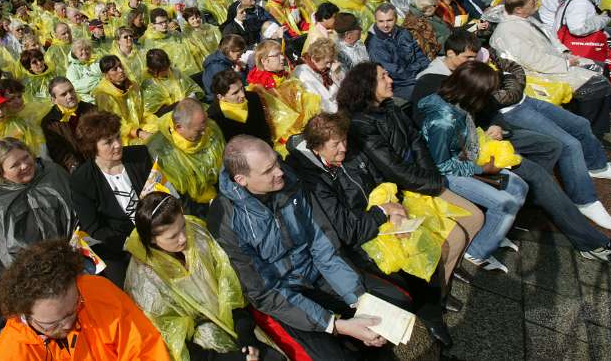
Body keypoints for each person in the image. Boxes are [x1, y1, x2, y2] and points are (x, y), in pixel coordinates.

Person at [418, 61, 611, 270]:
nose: (489, 99)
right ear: (473, 93)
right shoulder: (443, 118)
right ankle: (591, 242)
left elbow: (491, 114)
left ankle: (537, 203)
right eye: (485, 95)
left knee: (551, 147)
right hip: (466, 163)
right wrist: (483, 169)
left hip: (480, 148)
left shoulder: (464, 100)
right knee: (534, 177)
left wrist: (496, 127)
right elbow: (443, 163)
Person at [208, 135, 391, 359]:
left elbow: (321, 243)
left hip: (317, 272)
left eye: (276, 161)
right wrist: (336, 325)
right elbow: (264, 292)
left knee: (386, 312)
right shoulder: (227, 221)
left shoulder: (290, 181)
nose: (279, 172)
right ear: (241, 180)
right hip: (284, 295)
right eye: (268, 171)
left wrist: (358, 299)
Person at [286, 114, 454, 346]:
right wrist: (383, 212)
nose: (344, 148)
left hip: (379, 223)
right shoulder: (311, 179)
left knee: (425, 248)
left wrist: (396, 211)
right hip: (355, 244)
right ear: (316, 148)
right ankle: (416, 324)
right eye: (335, 145)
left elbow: (383, 183)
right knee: (399, 283)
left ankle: (432, 315)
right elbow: (346, 230)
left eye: (344, 140)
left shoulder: (351, 152)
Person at [336, 62, 485, 287]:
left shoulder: (389, 106)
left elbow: (415, 140)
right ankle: (438, 290)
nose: (391, 79)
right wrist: (432, 182)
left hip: (421, 179)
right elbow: (393, 169)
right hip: (400, 188)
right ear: (367, 86)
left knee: (475, 217)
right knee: (454, 237)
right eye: (383, 77)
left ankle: (452, 266)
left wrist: (430, 174)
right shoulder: (360, 123)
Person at [125, 192, 282, 361]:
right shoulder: (143, 278)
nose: (183, 237)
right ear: (152, 240)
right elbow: (171, 339)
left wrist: (245, 336)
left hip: (239, 325)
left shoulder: (197, 233)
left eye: (183, 225)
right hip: (203, 352)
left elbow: (230, 287)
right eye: (172, 236)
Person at [0, 238, 171, 360]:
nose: (67, 325)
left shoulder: (98, 292)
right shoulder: (10, 353)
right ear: (24, 314)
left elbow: (145, 349)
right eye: (52, 324)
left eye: (74, 307)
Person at [493, 0, 611, 141]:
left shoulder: (527, 19)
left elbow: (550, 39)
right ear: (519, 9)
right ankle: (591, 133)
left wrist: (565, 52)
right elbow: (531, 60)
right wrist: (564, 63)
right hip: (540, 73)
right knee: (593, 85)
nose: (537, 3)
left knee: (602, 67)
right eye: (532, 2)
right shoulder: (508, 30)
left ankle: (603, 119)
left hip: (555, 60)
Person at [0, 137, 78, 302]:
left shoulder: (53, 173)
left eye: (26, 157)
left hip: (72, 259)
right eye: (15, 165)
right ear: (1, 171)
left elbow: (77, 210)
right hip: (31, 278)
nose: (25, 166)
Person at [70, 111, 153, 287]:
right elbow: (93, 226)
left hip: (153, 230)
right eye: (108, 142)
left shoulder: (139, 156)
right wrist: (128, 244)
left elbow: (159, 194)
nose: (117, 145)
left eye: (117, 137)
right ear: (93, 147)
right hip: (117, 244)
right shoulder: (82, 179)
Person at [147, 98, 224, 218]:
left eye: (205, 126)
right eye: (198, 131)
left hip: (221, 192)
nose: (204, 133)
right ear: (179, 127)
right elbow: (172, 200)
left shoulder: (210, 128)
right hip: (191, 209)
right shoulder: (159, 152)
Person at [365, 3, 430, 100]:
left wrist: (428, 69)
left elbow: (419, 54)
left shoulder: (403, 33)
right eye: (381, 21)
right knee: (425, 93)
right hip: (398, 84)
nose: (385, 25)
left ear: (396, 18)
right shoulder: (374, 44)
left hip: (417, 74)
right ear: (376, 21)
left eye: (389, 20)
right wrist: (417, 72)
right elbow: (394, 72)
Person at [95, 55, 157, 145]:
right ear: (106, 75)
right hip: (121, 137)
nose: (120, 70)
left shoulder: (133, 86)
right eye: (114, 69)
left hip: (140, 127)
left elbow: (144, 111)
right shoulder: (103, 95)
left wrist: (155, 123)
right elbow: (114, 125)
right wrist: (139, 133)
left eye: (120, 66)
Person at [40, 76, 96, 172]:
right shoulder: (50, 123)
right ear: (54, 100)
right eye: (63, 94)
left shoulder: (91, 110)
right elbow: (59, 152)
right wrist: (74, 167)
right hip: (77, 170)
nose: (70, 96)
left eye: (71, 90)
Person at [207, 69, 271, 145]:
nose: (242, 95)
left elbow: (263, 127)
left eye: (242, 88)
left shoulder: (253, 97)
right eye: (235, 93)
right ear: (221, 97)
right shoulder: (214, 116)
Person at [141, 48, 203, 118]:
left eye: (167, 68)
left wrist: (192, 96)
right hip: (168, 118)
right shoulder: (148, 84)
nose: (167, 71)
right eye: (163, 70)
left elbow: (192, 87)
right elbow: (156, 112)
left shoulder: (175, 72)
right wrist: (178, 105)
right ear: (152, 70)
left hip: (189, 108)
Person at [292, 38, 344, 113]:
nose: (329, 65)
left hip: (336, 108)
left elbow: (345, 90)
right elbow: (324, 103)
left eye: (331, 61)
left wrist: (337, 73)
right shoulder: (303, 73)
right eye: (327, 62)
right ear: (314, 58)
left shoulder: (324, 69)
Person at [202, 34, 247, 102]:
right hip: (219, 101)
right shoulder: (218, 67)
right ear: (230, 52)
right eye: (238, 54)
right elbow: (236, 87)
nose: (240, 57)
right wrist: (238, 72)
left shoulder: (224, 60)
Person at [65, 38, 102, 104]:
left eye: (87, 49)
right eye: (81, 50)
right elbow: (74, 86)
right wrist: (97, 80)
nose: (84, 52)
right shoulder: (72, 68)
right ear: (75, 53)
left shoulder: (96, 62)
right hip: (86, 100)